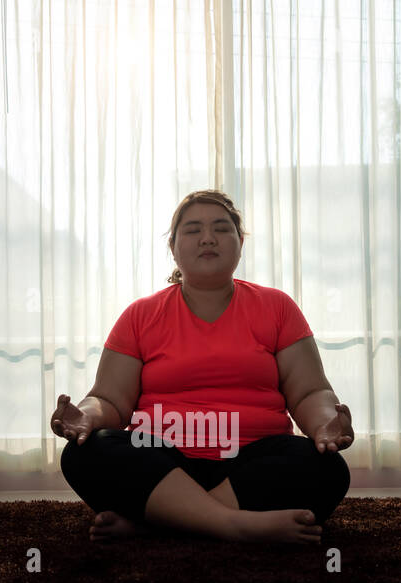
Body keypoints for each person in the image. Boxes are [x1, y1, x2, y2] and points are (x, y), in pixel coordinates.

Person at [53, 189, 352, 545]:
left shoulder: (277, 307)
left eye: (221, 229)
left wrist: (323, 424)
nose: (208, 238)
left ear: (240, 243)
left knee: (326, 468)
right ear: (173, 247)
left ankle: (157, 526)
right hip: (161, 463)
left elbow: (309, 391)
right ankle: (235, 525)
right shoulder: (140, 315)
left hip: (252, 462)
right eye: (193, 229)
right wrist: (86, 415)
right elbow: (110, 400)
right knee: (88, 452)